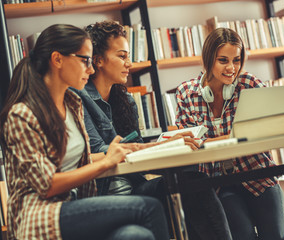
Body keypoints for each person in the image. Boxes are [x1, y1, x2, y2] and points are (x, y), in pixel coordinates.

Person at [0, 24, 169, 240]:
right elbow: (47, 185)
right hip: (38, 216)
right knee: (148, 208)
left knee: (134, 235)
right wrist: (106, 162)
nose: (90, 69)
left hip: (74, 207)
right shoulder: (22, 114)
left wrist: (163, 143)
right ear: (58, 59)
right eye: (85, 60)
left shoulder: (73, 104)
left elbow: (86, 159)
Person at [73, 20, 232, 240]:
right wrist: (166, 144)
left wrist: (171, 142)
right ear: (98, 60)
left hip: (135, 187)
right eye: (122, 56)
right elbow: (103, 151)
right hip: (107, 196)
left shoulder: (126, 100)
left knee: (194, 181)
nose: (129, 63)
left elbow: (139, 151)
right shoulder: (79, 98)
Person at [175, 27, 284, 240]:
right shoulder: (186, 94)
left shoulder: (249, 84)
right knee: (242, 234)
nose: (231, 68)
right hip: (218, 184)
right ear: (209, 60)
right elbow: (190, 144)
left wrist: (213, 141)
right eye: (223, 60)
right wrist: (238, 135)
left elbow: (271, 126)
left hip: (258, 174)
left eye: (236, 60)